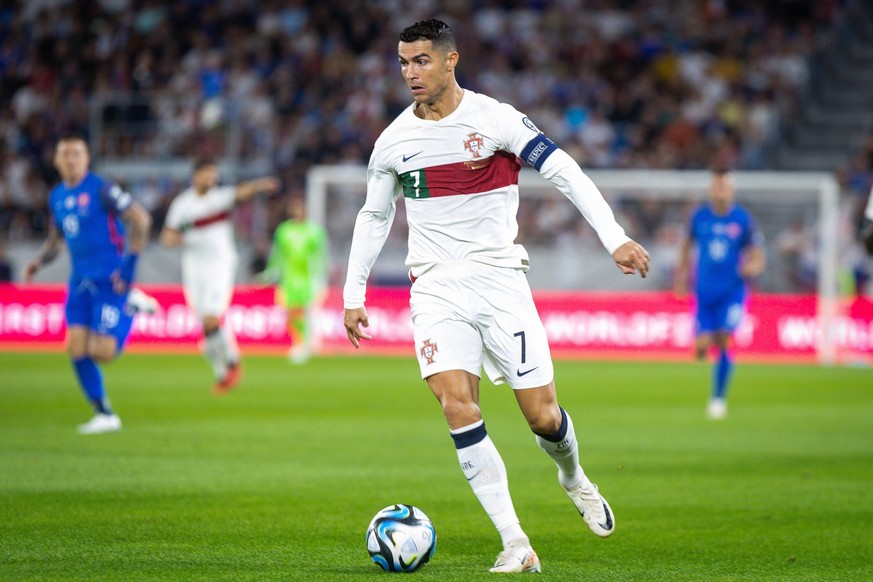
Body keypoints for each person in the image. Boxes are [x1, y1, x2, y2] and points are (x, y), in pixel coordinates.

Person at [342, 19, 650, 573]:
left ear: (451, 60)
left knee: (543, 418)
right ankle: (515, 542)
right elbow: (375, 215)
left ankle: (574, 477)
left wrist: (615, 237)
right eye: (403, 62)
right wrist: (353, 293)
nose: (410, 73)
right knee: (456, 406)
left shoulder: (495, 119)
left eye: (421, 61)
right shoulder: (393, 141)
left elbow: (565, 173)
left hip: (500, 279)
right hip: (433, 286)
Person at [24, 134, 157, 434]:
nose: (71, 159)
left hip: (110, 281)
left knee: (103, 353)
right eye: (65, 154)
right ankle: (104, 413)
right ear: (56, 160)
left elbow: (142, 219)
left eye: (77, 154)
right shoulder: (56, 196)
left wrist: (129, 267)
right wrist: (39, 261)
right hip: (79, 283)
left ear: (87, 159)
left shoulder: (102, 189)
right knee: (75, 348)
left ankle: (132, 307)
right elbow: (59, 236)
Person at [159, 158, 279, 394]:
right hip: (194, 268)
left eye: (213, 175)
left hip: (220, 265)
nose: (210, 179)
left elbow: (240, 194)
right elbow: (167, 236)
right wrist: (174, 238)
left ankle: (232, 361)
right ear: (195, 176)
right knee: (205, 325)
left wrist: (257, 186)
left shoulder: (219, 198)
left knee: (211, 319)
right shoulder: (182, 205)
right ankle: (222, 371)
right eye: (206, 174)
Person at [674, 169, 766, 420]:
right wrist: (681, 277)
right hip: (704, 292)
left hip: (732, 292)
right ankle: (707, 346)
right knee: (701, 347)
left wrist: (752, 267)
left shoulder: (743, 219)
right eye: (716, 187)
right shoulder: (699, 217)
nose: (719, 192)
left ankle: (718, 398)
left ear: (731, 190)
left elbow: (757, 255)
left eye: (723, 187)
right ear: (710, 190)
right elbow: (686, 247)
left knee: (725, 339)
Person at [259, 195, 328, 363]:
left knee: (307, 312)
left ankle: (307, 344)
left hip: (309, 278)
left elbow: (321, 256)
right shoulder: (284, 231)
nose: (297, 211)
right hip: (289, 279)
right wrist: (269, 273)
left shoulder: (315, 231)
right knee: (291, 313)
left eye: (300, 208)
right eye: (294, 208)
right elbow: (277, 255)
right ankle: (300, 342)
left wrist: (322, 276)